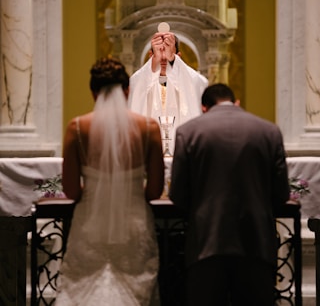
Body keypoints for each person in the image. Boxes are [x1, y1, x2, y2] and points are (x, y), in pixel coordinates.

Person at [55, 57, 164, 306]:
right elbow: (155, 192)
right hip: (134, 223)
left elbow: (71, 190)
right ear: (127, 90)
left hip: (90, 224)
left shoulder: (77, 128)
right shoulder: (149, 127)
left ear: (93, 92)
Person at [169, 83, 290, 306]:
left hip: (206, 242)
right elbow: (281, 193)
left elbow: (178, 194)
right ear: (236, 103)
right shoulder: (269, 131)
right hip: (256, 242)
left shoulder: (188, 132)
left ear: (203, 107)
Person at [128, 31, 208, 144]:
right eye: (159, 53)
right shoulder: (142, 80)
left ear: (178, 57)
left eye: (169, 53)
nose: (163, 58)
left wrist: (173, 60)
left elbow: (199, 83)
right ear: (151, 56)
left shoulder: (187, 79)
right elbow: (134, 86)